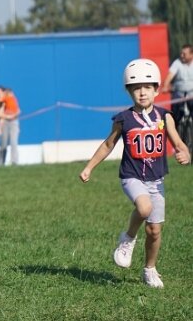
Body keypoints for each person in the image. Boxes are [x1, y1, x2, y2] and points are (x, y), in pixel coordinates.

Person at [79, 59, 190, 288]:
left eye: (147, 87)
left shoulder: (164, 117)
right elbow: (108, 144)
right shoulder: (124, 119)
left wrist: (185, 154)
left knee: (154, 230)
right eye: (136, 88)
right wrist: (89, 167)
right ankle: (128, 238)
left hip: (156, 180)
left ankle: (149, 269)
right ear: (128, 90)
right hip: (132, 177)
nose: (142, 93)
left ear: (157, 89)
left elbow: (179, 143)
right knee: (144, 208)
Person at [161, 44, 193, 146]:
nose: (182, 55)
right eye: (181, 53)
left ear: (191, 54)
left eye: (184, 54)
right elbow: (170, 76)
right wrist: (165, 86)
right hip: (179, 95)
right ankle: (177, 136)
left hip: (192, 95)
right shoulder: (177, 63)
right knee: (174, 116)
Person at [0, 86, 21, 166]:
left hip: (13, 122)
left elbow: (18, 110)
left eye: (1, 92)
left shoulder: (10, 99)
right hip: (3, 123)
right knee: (3, 144)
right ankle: (1, 163)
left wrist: (14, 114)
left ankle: (14, 162)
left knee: (14, 142)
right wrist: (7, 116)